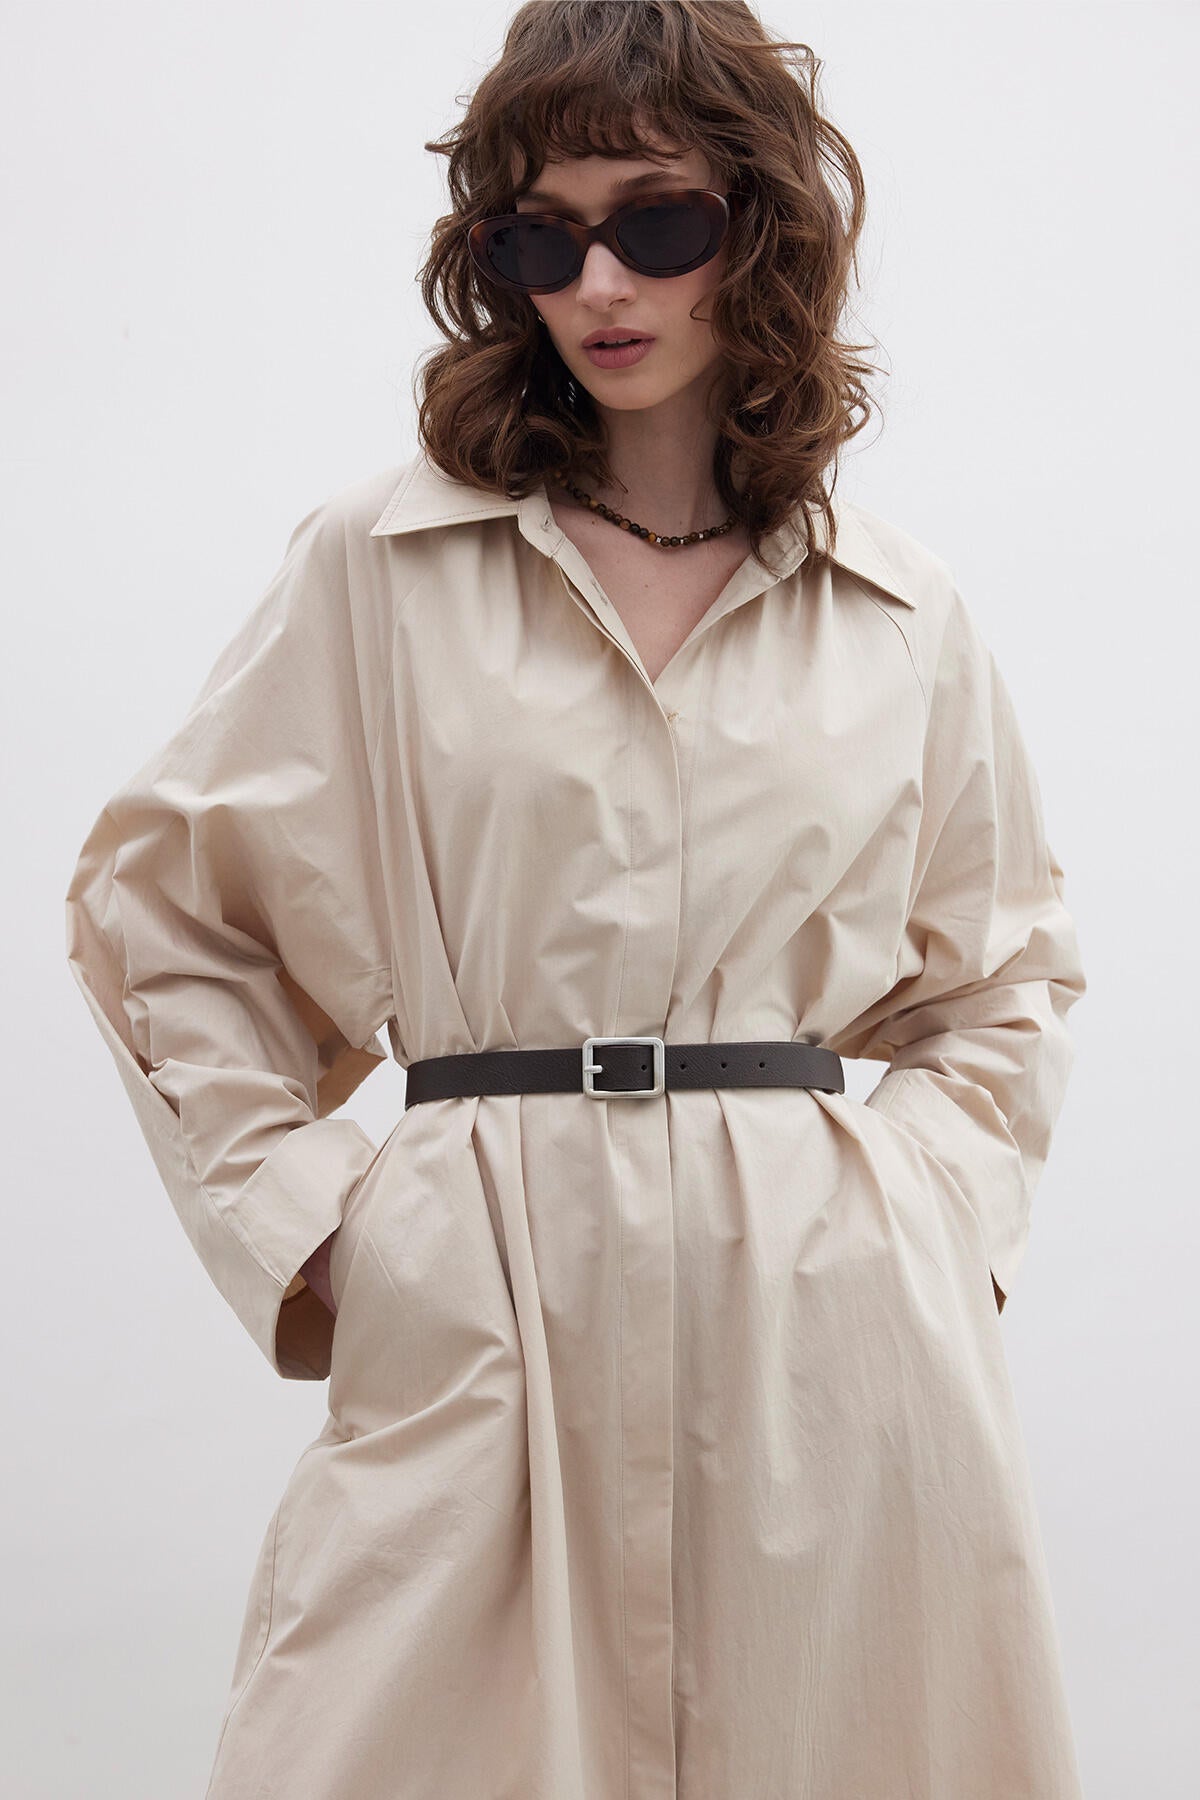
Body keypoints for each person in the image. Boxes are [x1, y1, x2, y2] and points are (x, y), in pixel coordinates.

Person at [63, 4, 1088, 1796]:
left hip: (828, 1344)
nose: (601, 283)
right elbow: (169, 917)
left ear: (761, 228)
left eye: (657, 222)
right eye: (544, 239)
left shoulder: (897, 612)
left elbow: (1001, 976)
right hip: (488, 1297)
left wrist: (921, 1216)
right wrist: (334, 1231)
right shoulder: (383, 567)